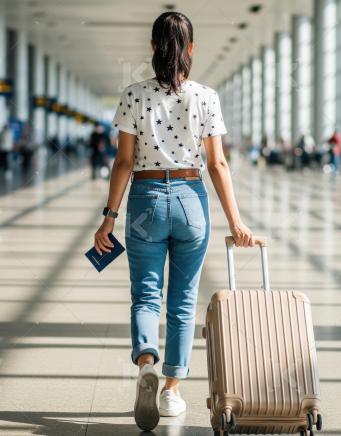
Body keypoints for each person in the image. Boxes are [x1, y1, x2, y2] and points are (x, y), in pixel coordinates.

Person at [92, 11, 255, 431]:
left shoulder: (132, 96)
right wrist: (236, 222)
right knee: (182, 304)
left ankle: (146, 359)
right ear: (192, 49)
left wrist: (108, 218)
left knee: (146, 296)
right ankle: (170, 391)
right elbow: (217, 162)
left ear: (153, 47)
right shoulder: (206, 97)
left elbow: (124, 162)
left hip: (145, 198)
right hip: (190, 200)